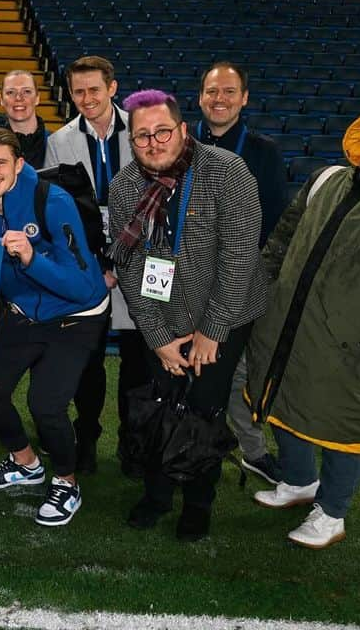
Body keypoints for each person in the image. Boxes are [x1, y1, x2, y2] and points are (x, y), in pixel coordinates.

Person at [245, 108, 360, 549]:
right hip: (286, 326)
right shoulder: (325, 179)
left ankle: (333, 513)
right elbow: (281, 240)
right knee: (280, 400)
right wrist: (261, 299)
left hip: (350, 348)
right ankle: (300, 481)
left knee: (343, 431)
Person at [108, 89, 267, 542]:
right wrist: (158, 338)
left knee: (202, 409)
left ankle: (199, 501)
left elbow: (239, 258)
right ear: (132, 140)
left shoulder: (227, 171)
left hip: (227, 312)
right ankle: (158, 494)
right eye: (142, 137)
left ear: (181, 129)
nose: (154, 143)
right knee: (161, 404)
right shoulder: (124, 189)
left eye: (162, 132)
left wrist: (211, 333)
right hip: (165, 317)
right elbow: (131, 266)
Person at [0, 128, 109, 528]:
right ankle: (26, 463)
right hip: (23, 314)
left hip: (78, 315)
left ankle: (66, 480)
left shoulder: (51, 200)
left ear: (19, 164)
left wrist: (30, 259)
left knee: (46, 404)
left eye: (0, 162)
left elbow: (80, 286)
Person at [44, 55, 147, 477]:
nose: (86, 99)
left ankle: (134, 444)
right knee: (87, 364)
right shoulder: (60, 140)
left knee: (140, 362)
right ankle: (84, 439)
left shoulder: (144, 131)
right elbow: (62, 211)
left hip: (139, 261)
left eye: (94, 90)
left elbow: (157, 196)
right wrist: (95, 263)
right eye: (78, 92)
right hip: (88, 265)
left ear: (112, 87)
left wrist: (121, 260)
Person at [193, 61, 287, 486]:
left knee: (239, 375)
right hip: (187, 285)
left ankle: (251, 449)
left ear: (244, 99)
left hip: (239, 287)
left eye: (229, 92)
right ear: (200, 97)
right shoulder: (180, 143)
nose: (220, 99)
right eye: (213, 91)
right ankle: (178, 448)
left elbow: (274, 224)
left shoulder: (263, 153)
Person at [1, 70, 48, 168]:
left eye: (27, 91)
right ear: (1, 100)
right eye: (10, 92)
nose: (18, 98)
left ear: (37, 98)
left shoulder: (56, 143)